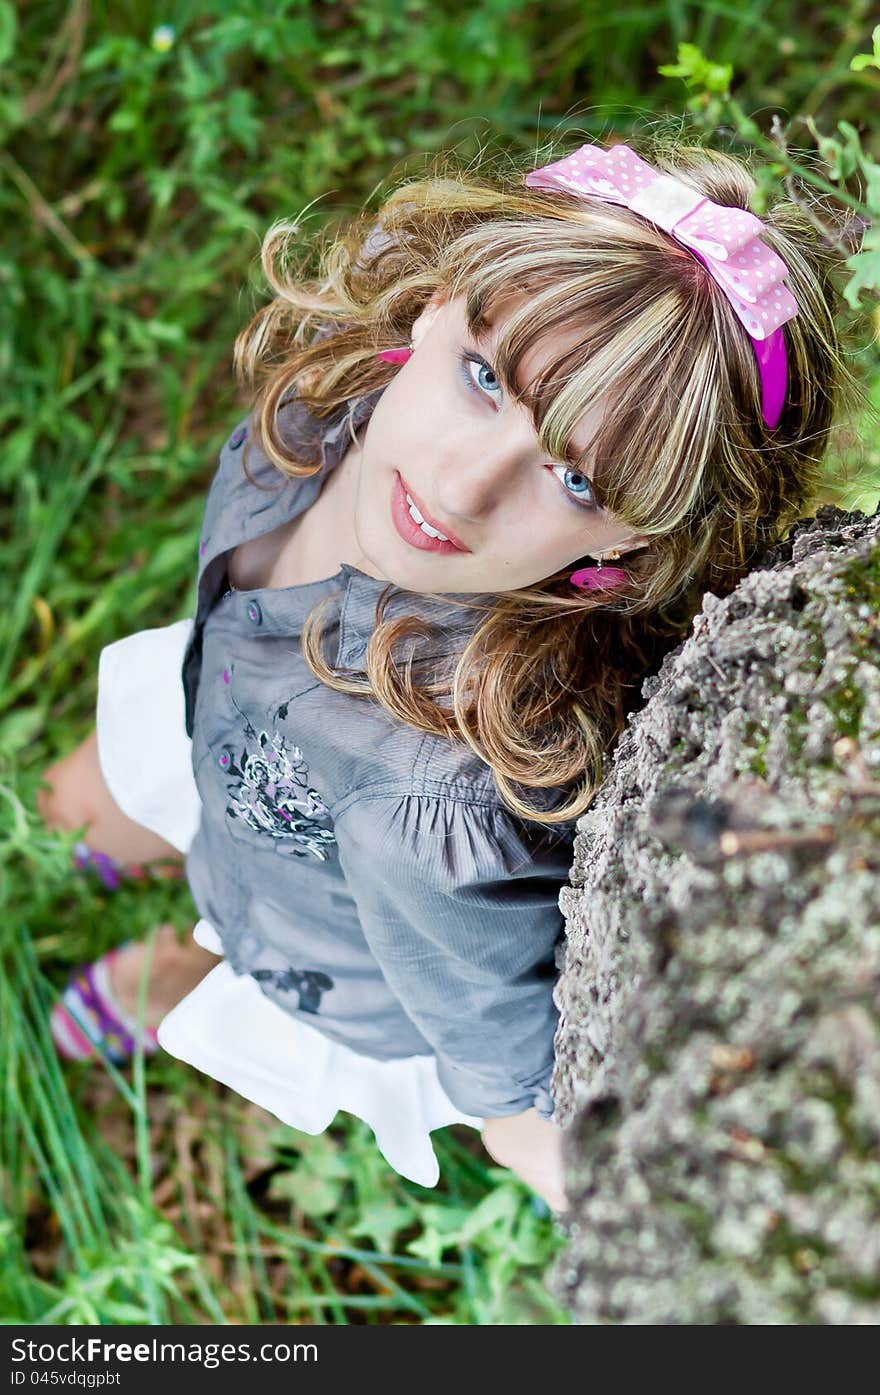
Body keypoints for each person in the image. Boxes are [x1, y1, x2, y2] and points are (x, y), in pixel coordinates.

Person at [36, 131, 852, 1215]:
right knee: (74, 809)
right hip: (218, 702)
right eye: (483, 378)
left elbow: (502, 1067)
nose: (464, 489)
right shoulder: (335, 405)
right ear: (431, 299)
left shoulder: (429, 795)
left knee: (246, 939)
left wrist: (585, 1183)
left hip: (315, 914)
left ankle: (190, 961)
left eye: (572, 480)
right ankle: (101, 848)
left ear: (632, 547)